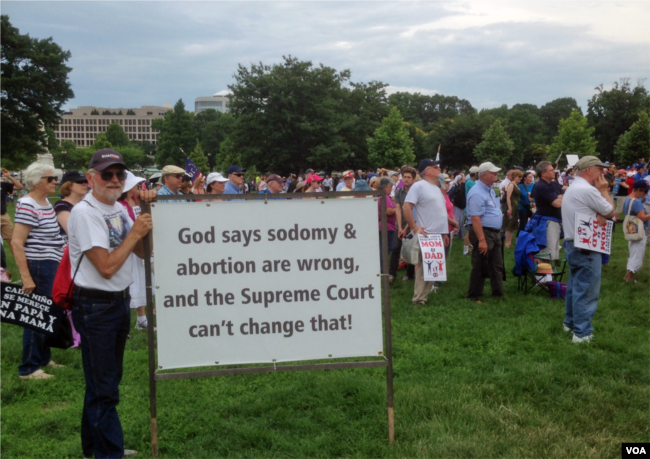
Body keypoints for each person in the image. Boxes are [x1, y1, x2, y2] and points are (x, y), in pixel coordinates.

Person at [68, 149, 155, 458]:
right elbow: (105, 266)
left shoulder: (118, 208)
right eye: (107, 174)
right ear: (91, 178)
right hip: (95, 305)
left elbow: (142, 254)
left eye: (119, 174)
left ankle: (94, 446)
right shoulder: (86, 213)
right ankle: (109, 453)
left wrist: (147, 217)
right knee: (105, 385)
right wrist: (134, 234)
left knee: (103, 380)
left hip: (117, 302)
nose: (115, 180)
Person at [13, 163, 65, 380]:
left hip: (51, 263)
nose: (55, 182)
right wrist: (26, 277)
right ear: (36, 181)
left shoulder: (44, 202)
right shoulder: (27, 204)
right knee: (36, 314)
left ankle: (44, 358)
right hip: (38, 264)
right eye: (50, 179)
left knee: (48, 312)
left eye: (55, 178)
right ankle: (29, 368)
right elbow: (17, 242)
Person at [562, 156, 614, 343]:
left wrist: (600, 209)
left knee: (575, 287)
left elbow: (603, 211)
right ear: (590, 169)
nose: (603, 173)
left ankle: (569, 324)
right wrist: (603, 191)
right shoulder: (587, 189)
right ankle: (582, 333)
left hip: (573, 243)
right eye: (600, 169)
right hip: (586, 246)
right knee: (587, 290)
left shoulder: (574, 187)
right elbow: (611, 212)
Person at [403, 159, 450, 305]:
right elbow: (406, 207)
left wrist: (445, 232)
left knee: (433, 269)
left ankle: (424, 296)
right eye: (436, 167)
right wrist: (414, 227)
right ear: (427, 171)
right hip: (427, 234)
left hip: (438, 234)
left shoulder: (436, 187)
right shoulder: (418, 186)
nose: (439, 168)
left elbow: (439, 212)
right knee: (426, 267)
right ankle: (418, 298)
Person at [466, 162, 504, 302]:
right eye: (493, 172)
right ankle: (474, 295)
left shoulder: (489, 189)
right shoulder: (476, 192)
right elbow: (475, 218)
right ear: (484, 175)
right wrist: (481, 240)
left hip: (494, 232)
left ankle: (498, 293)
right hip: (484, 232)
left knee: (497, 265)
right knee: (480, 264)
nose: (496, 174)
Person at [117, 171, 150, 330]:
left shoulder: (137, 201)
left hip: (140, 245)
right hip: (130, 248)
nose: (139, 186)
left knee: (143, 281)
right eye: (135, 184)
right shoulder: (121, 206)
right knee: (135, 282)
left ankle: (142, 318)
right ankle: (140, 319)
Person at [531, 161, 563, 260]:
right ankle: (542, 275)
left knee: (553, 253)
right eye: (551, 170)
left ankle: (548, 275)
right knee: (546, 254)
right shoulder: (541, 186)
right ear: (543, 173)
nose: (555, 171)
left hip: (555, 221)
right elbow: (557, 204)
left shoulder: (552, 184)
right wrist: (560, 198)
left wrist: (560, 198)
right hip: (547, 223)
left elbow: (561, 196)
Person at [390, 166, 417, 282]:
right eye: (404, 177)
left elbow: (413, 211)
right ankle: (392, 274)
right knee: (396, 248)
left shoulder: (416, 192)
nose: (406, 179)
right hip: (400, 224)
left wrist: (406, 228)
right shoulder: (398, 192)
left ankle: (410, 274)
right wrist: (400, 227)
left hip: (412, 225)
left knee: (411, 248)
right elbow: (398, 209)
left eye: (409, 177)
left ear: (413, 179)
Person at [622, 181, 650, 283]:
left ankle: (627, 275)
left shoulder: (628, 198)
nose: (646, 194)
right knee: (637, 253)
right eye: (645, 191)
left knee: (633, 251)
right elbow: (642, 217)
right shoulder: (637, 202)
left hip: (631, 227)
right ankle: (630, 277)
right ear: (639, 190)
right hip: (639, 229)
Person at [0, 168, 24, 261]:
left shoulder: (3, 185)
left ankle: (19, 262)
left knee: (12, 240)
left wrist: (8, 176)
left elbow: (19, 187)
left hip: (3, 215)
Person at [377, 177, 396, 267]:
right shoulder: (385, 197)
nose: (391, 189)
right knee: (386, 248)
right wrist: (398, 208)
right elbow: (389, 211)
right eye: (390, 186)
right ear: (385, 187)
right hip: (386, 227)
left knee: (384, 248)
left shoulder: (379, 196)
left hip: (384, 226)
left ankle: (381, 266)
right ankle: (381, 266)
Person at [502, 169, 523, 248]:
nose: (520, 178)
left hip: (516, 207)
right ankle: (507, 243)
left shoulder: (517, 185)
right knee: (509, 225)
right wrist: (510, 208)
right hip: (511, 207)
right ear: (514, 177)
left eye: (521, 177)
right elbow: (508, 197)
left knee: (513, 225)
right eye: (519, 177)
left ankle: (510, 242)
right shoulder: (511, 185)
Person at [463, 166, 479, 255]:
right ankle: (465, 251)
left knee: (473, 231)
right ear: (476, 173)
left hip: (472, 209)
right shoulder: (470, 182)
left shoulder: (473, 182)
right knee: (469, 232)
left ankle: (470, 247)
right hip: (470, 210)